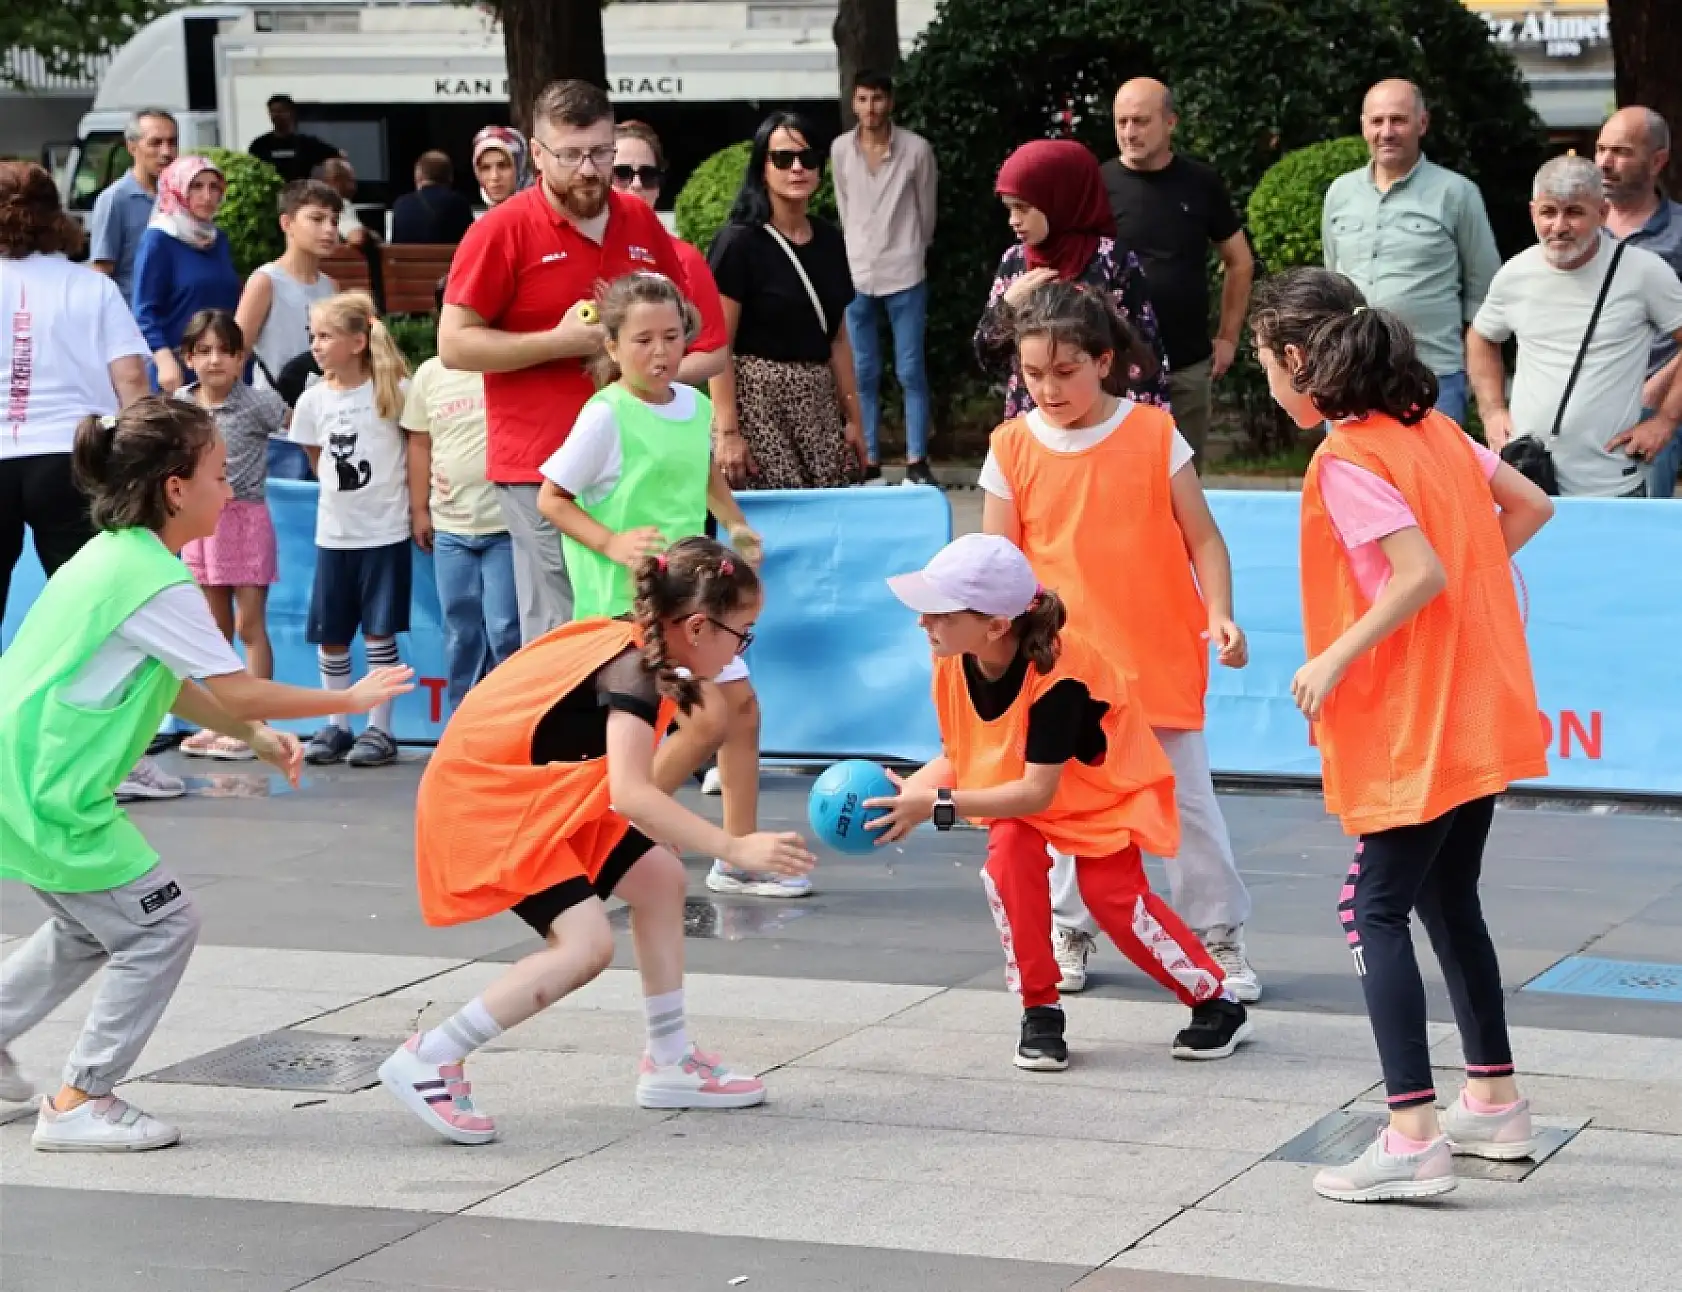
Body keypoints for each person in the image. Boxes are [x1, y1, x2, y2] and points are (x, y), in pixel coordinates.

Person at [0, 396, 412, 1150]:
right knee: (163, 925)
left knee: (89, 924)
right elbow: (235, 685)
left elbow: (183, 685)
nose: (232, 489)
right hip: (50, 791)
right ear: (175, 489)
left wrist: (251, 735)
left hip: (21, 779)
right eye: (220, 475)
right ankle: (82, 1099)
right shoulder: (151, 578)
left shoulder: (115, 557)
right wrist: (346, 697)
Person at [1251, 267, 1554, 1202]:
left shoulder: (1348, 457)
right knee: (1447, 896)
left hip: (1414, 718)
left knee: (1371, 907)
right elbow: (1531, 508)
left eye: (1265, 364)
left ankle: (1412, 1131)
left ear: (1299, 361)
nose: (1264, 382)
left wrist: (1333, 656)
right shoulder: (1436, 431)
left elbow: (1416, 574)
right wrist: (1465, 575)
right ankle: (1493, 1101)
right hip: (1479, 702)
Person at [381, 536, 815, 1142]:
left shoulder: (643, 650)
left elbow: (626, 785)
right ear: (697, 626)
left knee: (659, 878)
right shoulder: (634, 668)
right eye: (742, 632)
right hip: (495, 806)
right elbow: (631, 793)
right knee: (584, 947)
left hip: (533, 794)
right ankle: (432, 1055)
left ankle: (669, 1060)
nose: (745, 647)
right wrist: (735, 847)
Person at [867, 534, 1251, 1069]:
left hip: (1097, 796)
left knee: (1113, 899)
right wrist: (911, 795)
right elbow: (966, 749)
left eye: (938, 613)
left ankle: (1215, 1001)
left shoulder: (1061, 681)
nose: (921, 623)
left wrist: (937, 806)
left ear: (996, 624)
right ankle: (1040, 1010)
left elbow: (1035, 790)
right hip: (1023, 789)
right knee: (1007, 865)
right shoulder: (955, 656)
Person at [980, 281, 1260, 1002]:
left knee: (1184, 803)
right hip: (1065, 671)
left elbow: (1204, 538)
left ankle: (1217, 936)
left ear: (1103, 362)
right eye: (1033, 374)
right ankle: (1072, 928)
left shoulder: (1153, 433)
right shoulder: (1010, 447)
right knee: (1072, 806)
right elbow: (995, 568)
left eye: (1065, 371)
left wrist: (1220, 613)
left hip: (1157, 655)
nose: (1048, 387)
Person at [536, 274, 790, 899]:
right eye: (643, 339)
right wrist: (612, 544)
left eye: (672, 336)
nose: (660, 351)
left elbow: (702, 476)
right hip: (631, 609)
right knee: (706, 721)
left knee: (743, 713)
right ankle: (622, 823)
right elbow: (552, 499)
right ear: (614, 347)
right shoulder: (605, 416)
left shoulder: (695, 405)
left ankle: (734, 856)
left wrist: (735, 524)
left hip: (694, 599)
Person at [441, 80, 699, 643]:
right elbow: (454, 344)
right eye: (570, 155)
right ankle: (571, 734)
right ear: (536, 154)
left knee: (644, 630)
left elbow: (684, 325)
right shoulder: (502, 230)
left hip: (636, 466)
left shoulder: (637, 220)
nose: (588, 169)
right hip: (542, 466)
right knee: (568, 635)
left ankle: (630, 733)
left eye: (601, 152)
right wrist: (558, 342)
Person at [0, 161, 183, 804]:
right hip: (66, 458)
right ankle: (117, 759)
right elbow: (133, 381)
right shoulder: (90, 288)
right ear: (58, 216)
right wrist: (140, 468)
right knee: (101, 617)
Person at [1468, 156, 1682, 499]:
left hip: (1612, 484)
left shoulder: (1644, 273)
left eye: (1574, 212)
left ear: (1603, 213)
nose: (1559, 226)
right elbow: (1482, 336)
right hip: (1528, 480)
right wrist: (1492, 411)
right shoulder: (1515, 273)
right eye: (1548, 212)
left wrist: (1666, 421)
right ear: (1532, 212)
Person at [1321, 79, 1501, 425]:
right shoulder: (1340, 193)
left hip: (1429, 378)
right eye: (1377, 121)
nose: (1387, 132)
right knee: (1353, 479)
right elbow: (1333, 282)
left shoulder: (1457, 194)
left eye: (1398, 120)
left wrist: (1482, 385)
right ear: (1363, 126)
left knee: (1429, 479)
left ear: (1423, 123)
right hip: (1349, 375)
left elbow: (1485, 295)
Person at [707, 112, 868, 491]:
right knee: (775, 522)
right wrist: (728, 431)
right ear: (763, 167)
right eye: (782, 158)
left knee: (828, 518)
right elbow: (719, 345)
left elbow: (838, 338)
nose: (797, 168)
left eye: (808, 158)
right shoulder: (738, 243)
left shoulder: (829, 240)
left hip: (819, 403)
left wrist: (854, 419)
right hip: (758, 402)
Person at [287, 291, 414, 768]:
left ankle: (380, 729)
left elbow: (412, 449)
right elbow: (317, 459)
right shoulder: (312, 400)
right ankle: (337, 723)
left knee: (380, 634)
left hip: (384, 534)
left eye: (325, 336)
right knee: (332, 634)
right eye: (312, 336)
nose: (316, 345)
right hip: (334, 536)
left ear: (358, 342)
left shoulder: (393, 391)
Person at [1102, 78, 1254, 468]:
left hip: (1186, 365)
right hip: (1115, 368)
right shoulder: (1099, 185)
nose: (1129, 133)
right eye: (1121, 122)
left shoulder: (1201, 183)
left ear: (1171, 122)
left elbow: (1239, 260)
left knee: (1184, 491)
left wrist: (1228, 336)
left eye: (1140, 121)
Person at [974, 139, 1171, 419]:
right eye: (1009, 209)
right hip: (1036, 422)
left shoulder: (1110, 260)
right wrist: (1006, 307)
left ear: (1059, 199)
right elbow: (987, 356)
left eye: (1023, 208)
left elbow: (1142, 356)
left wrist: (1142, 430)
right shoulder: (1015, 261)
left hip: (1103, 421)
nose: (1013, 220)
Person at [172, 311, 288, 760]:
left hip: (245, 521)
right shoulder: (180, 405)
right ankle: (222, 721)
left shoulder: (258, 404)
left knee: (249, 625)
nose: (214, 360)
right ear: (188, 358)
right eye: (204, 351)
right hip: (199, 525)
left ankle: (256, 724)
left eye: (225, 351)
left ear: (241, 358)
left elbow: (303, 427)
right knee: (213, 628)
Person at [400, 278, 519, 713]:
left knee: (507, 627)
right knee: (462, 627)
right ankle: (464, 720)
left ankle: (508, 718)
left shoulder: (509, 365)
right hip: (451, 525)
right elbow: (418, 443)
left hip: (504, 523)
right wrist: (418, 508)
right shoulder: (431, 375)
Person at [831, 70, 939, 485]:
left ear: (890, 101)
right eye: (862, 99)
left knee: (910, 368)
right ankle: (869, 458)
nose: (870, 108)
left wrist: (913, 246)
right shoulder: (841, 149)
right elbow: (843, 204)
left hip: (905, 269)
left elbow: (926, 212)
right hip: (857, 270)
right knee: (862, 371)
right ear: (853, 102)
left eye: (877, 99)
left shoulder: (916, 150)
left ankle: (916, 458)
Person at [1597, 106, 1682, 498]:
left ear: (1657, 161)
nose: (1605, 163)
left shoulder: (1678, 233)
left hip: (1652, 410)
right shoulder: (1579, 227)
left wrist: (1658, 387)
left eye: (1621, 152)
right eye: (1600, 150)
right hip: (1584, 403)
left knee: (1640, 530)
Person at [235, 178, 342, 480]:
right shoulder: (266, 282)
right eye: (317, 219)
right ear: (287, 223)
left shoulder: (330, 286)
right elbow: (236, 355)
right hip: (279, 428)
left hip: (323, 422)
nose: (329, 230)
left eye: (334, 221)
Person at [611, 120, 730, 384]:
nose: (637, 184)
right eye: (621, 174)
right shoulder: (578, 247)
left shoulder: (685, 257)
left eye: (648, 175)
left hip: (655, 411)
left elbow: (713, 352)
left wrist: (643, 383)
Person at [131, 157, 242, 395]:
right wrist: (163, 360)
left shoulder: (217, 239)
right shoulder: (159, 239)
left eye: (215, 187)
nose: (207, 195)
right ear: (177, 188)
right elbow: (144, 311)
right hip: (177, 372)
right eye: (197, 186)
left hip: (218, 367)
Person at [88, 108, 178, 306]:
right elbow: (101, 273)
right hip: (133, 322)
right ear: (132, 147)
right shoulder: (115, 199)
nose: (166, 152)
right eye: (155, 143)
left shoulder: (180, 196)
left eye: (172, 142)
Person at [248, 94, 341, 184]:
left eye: (281, 111)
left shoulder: (307, 144)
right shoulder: (259, 145)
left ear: (291, 112)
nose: (277, 115)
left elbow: (339, 156)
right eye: (273, 111)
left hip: (299, 196)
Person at [391, 151, 476, 246]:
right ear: (450, 177)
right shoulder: (459, 203)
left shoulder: (401, 204)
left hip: (408, 261)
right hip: (450, 261)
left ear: (417, 176)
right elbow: (472, 243)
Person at [472, 125, 530, 213]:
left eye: (503, 166)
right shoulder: (478, 222)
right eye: (485, 168)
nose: (495, 177)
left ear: (519, 168)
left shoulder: (540, 217)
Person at [320, 157, 371, 247]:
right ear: (335, 181)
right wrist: (372, 236)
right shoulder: (338, 204)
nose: (354, 187)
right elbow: (356, 237)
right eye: (350, 181)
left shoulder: (308, 205)